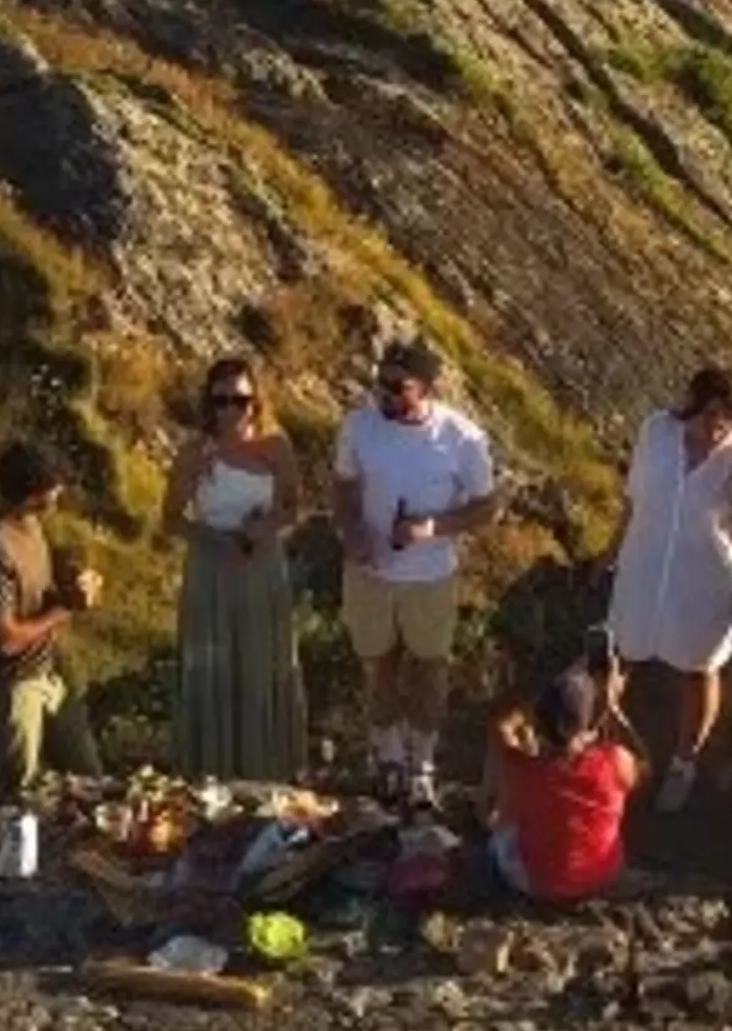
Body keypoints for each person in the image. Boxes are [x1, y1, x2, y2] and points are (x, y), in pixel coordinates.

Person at [329, 337, 499, 808]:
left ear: (425, 389)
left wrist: (433, 528)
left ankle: (421, 762)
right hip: (371, 572)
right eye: (379, 383)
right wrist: (352, 532)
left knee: (428, 668)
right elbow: (342, 487)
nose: (384, 394)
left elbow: (486, 507)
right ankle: (387, 755)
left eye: (397, 387)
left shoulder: (462, 438)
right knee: (378, 664)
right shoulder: (359, 427)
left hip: (430, 575)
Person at [602, 364, 732, 810]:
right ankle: (599, 751)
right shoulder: (657, 432)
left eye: (727, 415)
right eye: (710, 413)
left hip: (703, 579)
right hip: (643, 565)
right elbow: (634, 498)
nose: (717, 424)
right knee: (618, 656)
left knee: (698, 669)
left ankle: (685, 763)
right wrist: (610, 553)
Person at [161, 352, 311, 784]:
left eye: (239, 401)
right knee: (213, 668)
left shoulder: (275, 447)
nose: (230, 411)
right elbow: (171, 517)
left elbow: (293, 506)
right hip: (212, 567)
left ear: (255, 402)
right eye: (220, 401)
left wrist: (263, 528)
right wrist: (213, 538)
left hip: (261, 564)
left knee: (263, 663)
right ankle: (213, 769)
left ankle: (266, 768)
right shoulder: (195, 453)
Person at [0, 439, 102, 803]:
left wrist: (72, 577)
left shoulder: (28, 521)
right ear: (29, 494)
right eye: (52, 489)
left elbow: (42, 566)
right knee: (16, 796)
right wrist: (65, 610)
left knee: (88, 780)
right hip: (12, 687)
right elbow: (3, 639)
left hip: (50, 668)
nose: (57, 496)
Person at [486, 661, 642, 907]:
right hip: (603, 873)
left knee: (502, 822)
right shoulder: (616, 760)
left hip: (537, 884)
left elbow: (500, 727)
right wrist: (613, 705)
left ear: (538, 720)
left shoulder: (520, 769)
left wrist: (531, 710)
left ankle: (483, 817)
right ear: (587, 721)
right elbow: (639, 770)